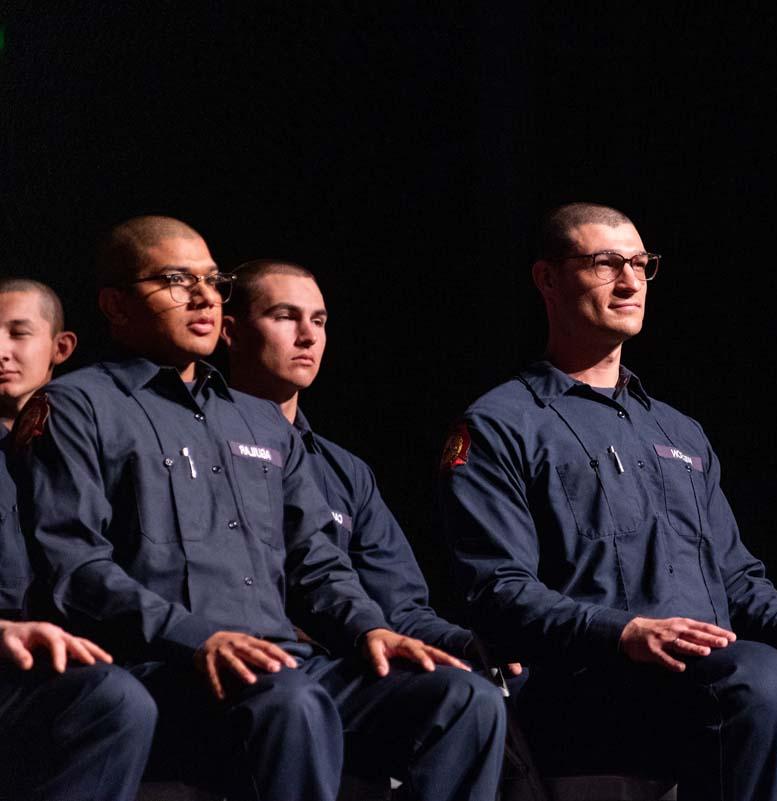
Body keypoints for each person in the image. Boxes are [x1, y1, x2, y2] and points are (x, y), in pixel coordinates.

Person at [436, 203, 777, 801]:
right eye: (605, 264)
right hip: (591, 690)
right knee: (754, 676)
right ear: (546, 280)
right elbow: (497, 593)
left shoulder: (679, 432)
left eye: (639, 264)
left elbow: (736, 578)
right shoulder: (503, 424)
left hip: (728, 687)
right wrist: (623, 631)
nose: (629, 282)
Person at [14, 217, 504, 801]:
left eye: (212, 281)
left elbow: (316, 563)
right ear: (116, 306)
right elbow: (76, 569)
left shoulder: (260, 420)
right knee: (290, 698)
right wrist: (197, 637)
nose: (203, 296)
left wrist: (369, 628)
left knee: (462, 696)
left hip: (286, 665)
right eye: (175, 279)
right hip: (169, 668)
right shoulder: (78, 407)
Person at [220, 258, 507, 792]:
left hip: (340, 671)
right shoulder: (200, 442)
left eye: (320, 320)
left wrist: (474, 646)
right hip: (254, 667)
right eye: (285, 316)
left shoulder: (345, 471)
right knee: (293, 703)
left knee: (470, 693)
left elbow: (400, 606)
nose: (308, 335)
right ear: (229, 331)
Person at [0, 278, 157, 801]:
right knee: (114, 700)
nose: (0, 350)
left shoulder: (82, 454)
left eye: (18, 333)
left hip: (67, 664)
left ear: (61, 348)